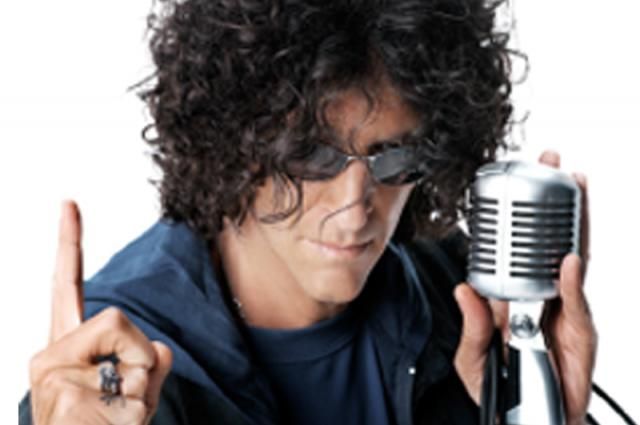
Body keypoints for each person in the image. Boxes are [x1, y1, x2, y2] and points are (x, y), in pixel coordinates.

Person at [19, 0, 597, 424]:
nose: (354, 206)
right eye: (313, 156)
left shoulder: (464, 300)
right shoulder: (109, 368)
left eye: (394, 157)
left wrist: (549, 415)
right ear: (236, 140)